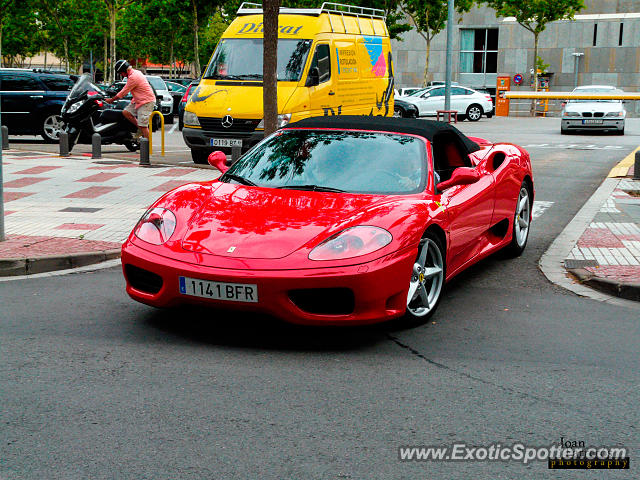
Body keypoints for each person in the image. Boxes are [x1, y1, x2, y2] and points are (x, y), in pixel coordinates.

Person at [105, 60, 155, 140]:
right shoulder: (135, 73)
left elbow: (124, 92)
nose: (121, 75)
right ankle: (140, 129)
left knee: (143, 125)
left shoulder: (134, 77)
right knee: (126, 112)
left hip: (147, 101)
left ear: (124, 70)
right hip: (138, 100)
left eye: (121, 73)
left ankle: (147, 148)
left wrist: (111, 100)